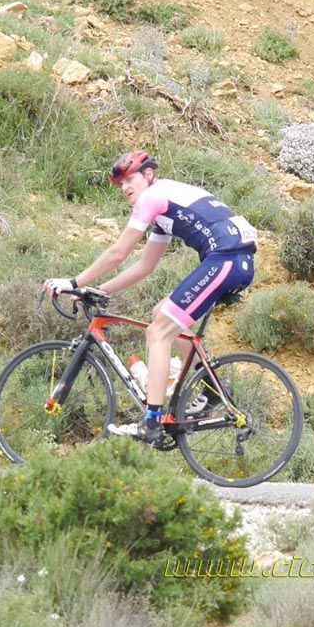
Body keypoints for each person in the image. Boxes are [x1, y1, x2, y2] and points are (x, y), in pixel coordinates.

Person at [44, 150, 258, 443]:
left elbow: (119, 252)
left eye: (130, 179)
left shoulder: (152, 197)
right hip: (232, 260)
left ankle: (152, 422)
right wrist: (98, 290)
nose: (126, 189)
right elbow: (145, 266)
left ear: (148, 175)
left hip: (227, 258)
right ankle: (212, 386)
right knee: (162, 313)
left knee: (158, 333)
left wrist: (72, 282)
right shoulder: (164, 209)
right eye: (120, 185)